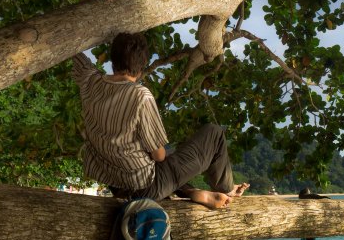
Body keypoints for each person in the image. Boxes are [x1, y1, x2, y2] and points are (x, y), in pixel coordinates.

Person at [71, 32, 248, 209]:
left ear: (112, 60)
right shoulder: (140, 96)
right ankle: (226, 190)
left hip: (115, 184)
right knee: (213, 134)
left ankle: (191, 192)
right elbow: (159, 155)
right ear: (141, 67)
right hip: (145, 187)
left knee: (164, 162)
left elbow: (73, 48)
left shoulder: (91, 81)